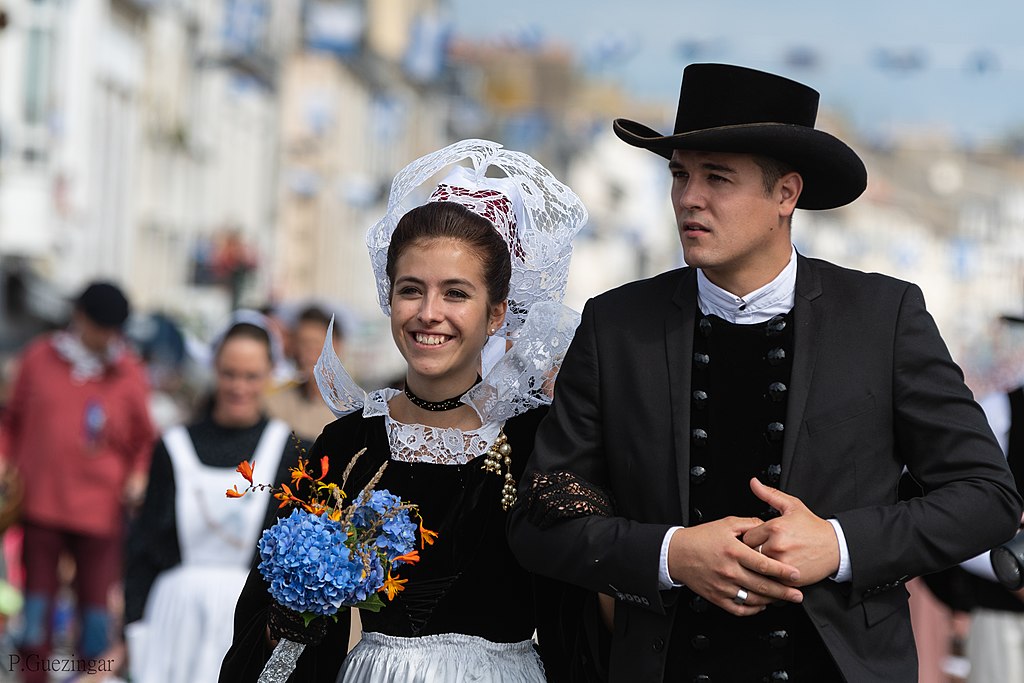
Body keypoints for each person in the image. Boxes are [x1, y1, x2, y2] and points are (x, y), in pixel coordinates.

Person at [506, 63, 1023, 683]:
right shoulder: (616, 324)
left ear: (786, 194)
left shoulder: (884, 317)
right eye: (679, 175)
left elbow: (987, 497)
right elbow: (538, 525)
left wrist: (838, 544)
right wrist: (672, 554)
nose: (688, 198)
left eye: (717, 178)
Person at [219, 139, 588, 682]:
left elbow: (576, 616)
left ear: (497, 313)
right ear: (389, 299)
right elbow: (271, 625)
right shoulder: (349, 445)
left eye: (456, 294)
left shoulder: (539, 442)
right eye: (411, 290)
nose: (429, 314)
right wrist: (291, 616)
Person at [124, 312, 303, 683]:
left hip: (246, 616)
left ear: (271, 374)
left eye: (251, 376)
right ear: (214, 369)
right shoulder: (173, 445)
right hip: (174, 615)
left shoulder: (290, 452)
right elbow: (143, 547)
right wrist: (133, 623)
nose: (239, 386)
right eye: (229, 374)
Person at [0, 280, 156, 682]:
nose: (108, 337)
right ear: (80, 318)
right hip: (40, 506)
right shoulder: (39, 359)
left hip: (100, 513)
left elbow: (145, 440)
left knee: (94, 618)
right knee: (35, 612)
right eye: (101, 326)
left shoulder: (129, 374)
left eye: (114, 329)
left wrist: (138, 475)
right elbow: (10, 419)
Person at [264, 304, 344, 442]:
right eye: (301, 343)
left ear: (336, 346)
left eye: (314, 343)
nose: (306, 352)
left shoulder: (357, 409)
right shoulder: (275, 404)